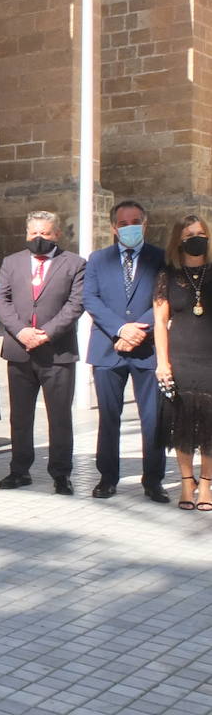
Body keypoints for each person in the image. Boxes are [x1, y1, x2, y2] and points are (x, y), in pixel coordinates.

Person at [0, 210, 86, 494]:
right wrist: (21, 331)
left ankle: (61, 474)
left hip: (57, 353)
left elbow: (75, 304)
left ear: (57, 234)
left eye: (45, 233)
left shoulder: (74, 264)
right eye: (33, 233)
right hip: (19, 350)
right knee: (20, 417)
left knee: (59, 416)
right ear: (26, 234)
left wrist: (45, 334)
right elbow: (2, 299)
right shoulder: (11, 262)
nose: (38, 238)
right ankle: (19, 470)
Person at [84, 200, 167, 502]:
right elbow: (90, 299)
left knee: (153, 418)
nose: (129, 227)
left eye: (135, 221)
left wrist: (136, 332)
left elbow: (163, 298)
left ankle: (153, 480)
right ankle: (107, 478)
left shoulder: (160, 257)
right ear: (113, 228)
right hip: (108, 349)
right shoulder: (97, 259)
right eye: (123, 222)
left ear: (145, 224)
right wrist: (121, 329)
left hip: (148, 351)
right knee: (108, 418)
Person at [153, 214, 212, 510]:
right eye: (189, 234)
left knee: (210, 425)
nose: (196, 238)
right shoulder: (167, 275)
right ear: (179, 240)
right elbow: (160, 323)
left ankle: (207, 487)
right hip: (181, 357)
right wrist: (162, 362)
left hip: (209, 357)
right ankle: (186, 484)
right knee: (183, 423)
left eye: (201, 233)